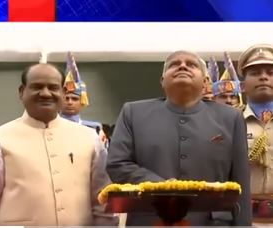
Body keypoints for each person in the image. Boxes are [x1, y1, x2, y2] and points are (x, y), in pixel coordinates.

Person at [106, 50, 252, 226]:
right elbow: (117, 164)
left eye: (191, 64)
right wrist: (164, 187)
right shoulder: (134, 113)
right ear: (162, 81)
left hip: (212, 223)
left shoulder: (230, 118)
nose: (182, 66)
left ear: (206, 82)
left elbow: (240, 181)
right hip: (149, 220)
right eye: (174, 64)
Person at [0, 63, 117, 226]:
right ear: (21, 92)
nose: (46, 93)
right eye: (37, 87)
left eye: (53, 87)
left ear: (62, 92)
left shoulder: (89, 138)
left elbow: (102, 203)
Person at [238, 44, 273, 225]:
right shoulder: (229, 123)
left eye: (270, 72)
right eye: (255, 73)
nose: (263, 77)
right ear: (242, 86)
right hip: (245, 218)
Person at [61, 52, 108, 147]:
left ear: (82, 101)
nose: (70, 102)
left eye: (74, 99)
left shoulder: (95, 129)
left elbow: (103, 158)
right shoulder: (47, 127)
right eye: (66, 98)